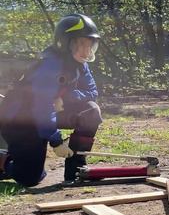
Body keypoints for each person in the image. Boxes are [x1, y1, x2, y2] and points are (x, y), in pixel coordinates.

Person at [0, 13, 103, 186]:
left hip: (48, 114)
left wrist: (69, 97)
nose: (87, 51)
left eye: (90, 45)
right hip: (22, 121)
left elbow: (92, 92)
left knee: (91, 111)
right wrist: (56, 140)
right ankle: (5, 160)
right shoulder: (49, 65)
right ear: (65, 43)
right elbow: (41, 108)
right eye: (81, 44)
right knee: (31, 178)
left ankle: (76, 168)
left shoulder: (81, 64)